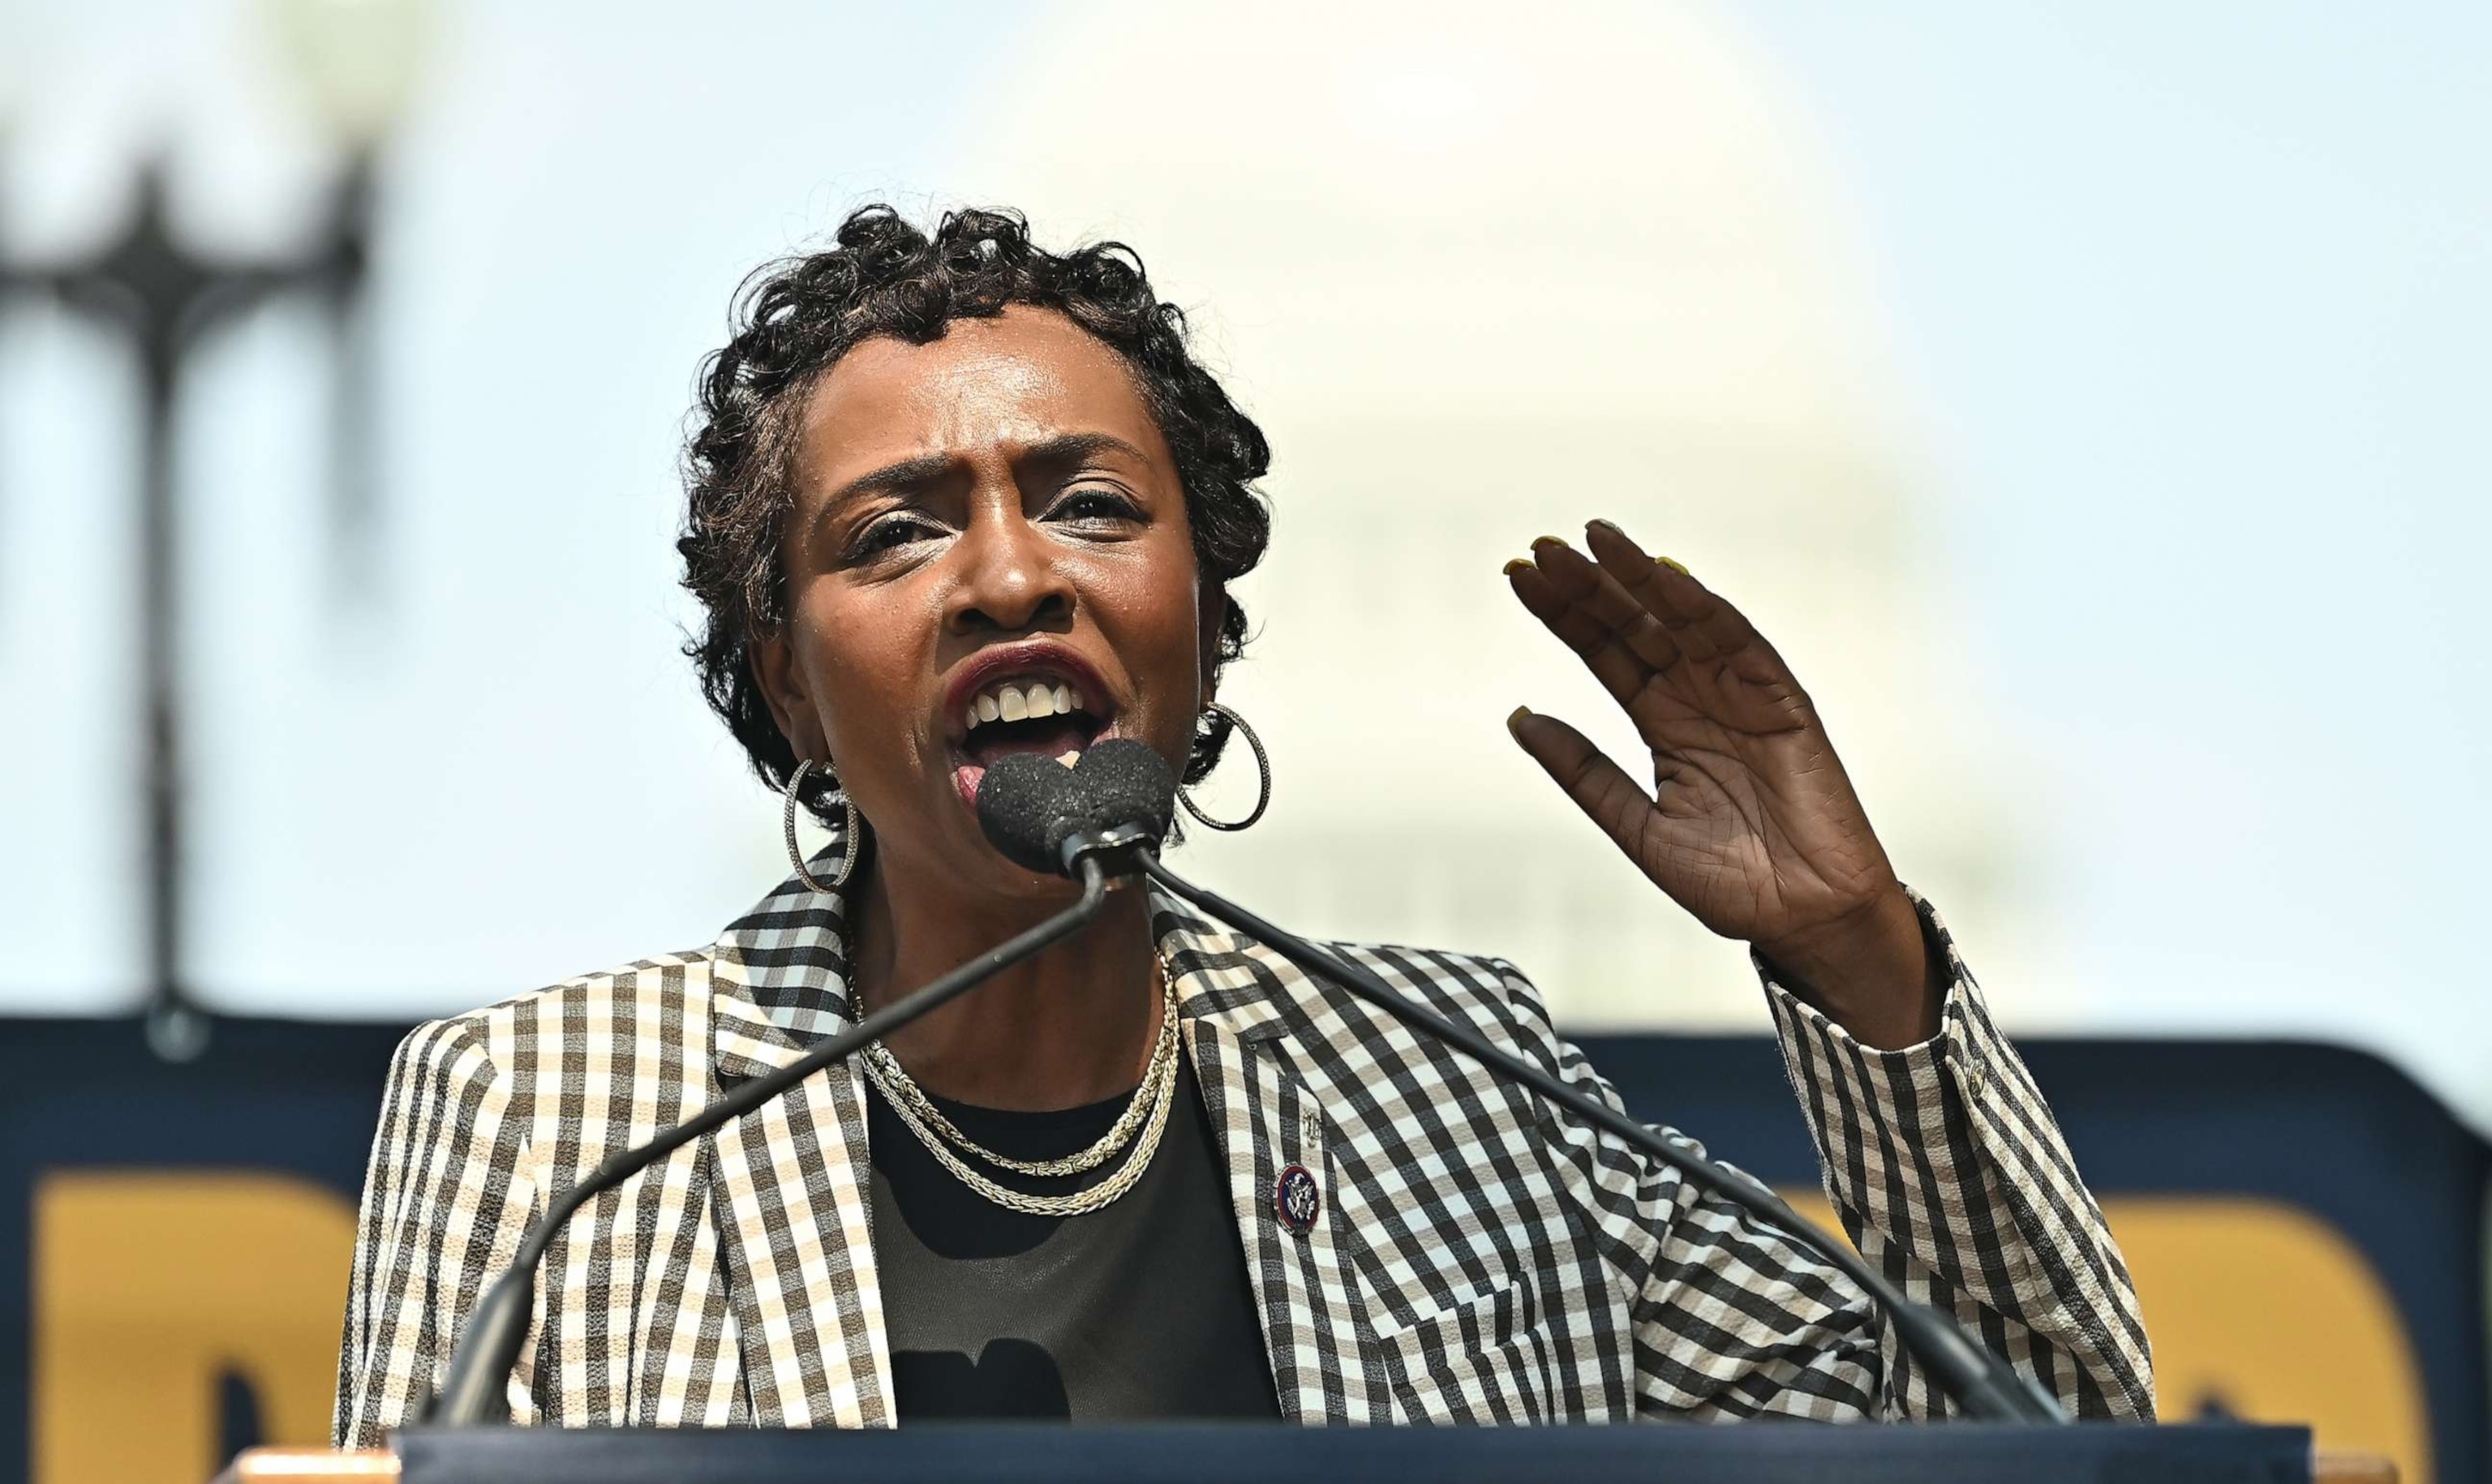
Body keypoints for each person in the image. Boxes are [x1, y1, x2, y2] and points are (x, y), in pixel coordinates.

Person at [334, 206, 2151, 1439]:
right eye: (898, 531)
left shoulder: (1460, 1094)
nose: (1009, 576)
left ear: (1202, 622)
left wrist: (1857, 963)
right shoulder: (560, 1122)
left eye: (1089, 504)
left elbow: (2040, 1439)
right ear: (790, 687)